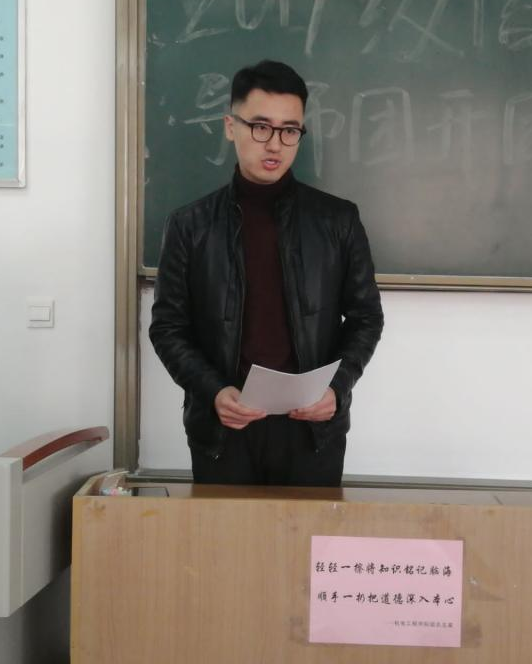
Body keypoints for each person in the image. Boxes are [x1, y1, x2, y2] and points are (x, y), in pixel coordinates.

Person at [149, 60, 384, 486]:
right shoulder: (189, 225)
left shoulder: (338, 220)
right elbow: (168, 327)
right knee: (225, 533)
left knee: (309, 531)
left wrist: (337, 388)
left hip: (312, 429)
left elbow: (366, 317)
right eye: (260, 127)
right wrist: (213, 391)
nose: (275, 144)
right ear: (230, 126)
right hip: (224, 429)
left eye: (289, 130)